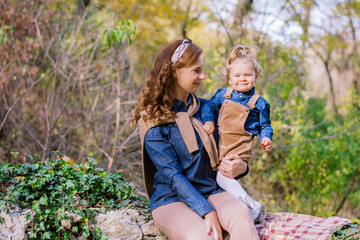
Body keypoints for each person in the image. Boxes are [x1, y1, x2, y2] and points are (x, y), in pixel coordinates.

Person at [132, 39, 260, 240]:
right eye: (196, 70)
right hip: (171, 199)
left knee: (242, 214)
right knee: (206, 236)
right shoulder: (153, 119)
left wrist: (241, 166)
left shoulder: (208, 109)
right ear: (175, 72)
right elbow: (172, 175)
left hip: (210, 189)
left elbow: (231, 147)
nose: (204, 76)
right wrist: (206, 211)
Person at [201, 45, 273, 223]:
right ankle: (243, 208)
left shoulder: (259, 103)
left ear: (256, 77)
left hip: (240, 146)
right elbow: (208, 107)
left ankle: (250, 204)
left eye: (247, 75)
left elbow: (266, 125)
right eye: (237, 75)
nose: (242, 79)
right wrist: (209, 121)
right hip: (222, 144)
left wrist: (266, 137)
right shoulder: (222, 95)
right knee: (220, 178)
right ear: (229, 78)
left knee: (223, 175)